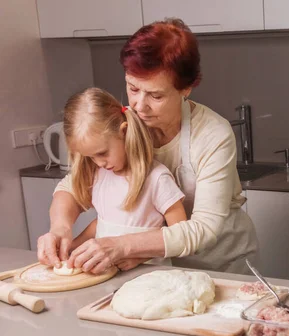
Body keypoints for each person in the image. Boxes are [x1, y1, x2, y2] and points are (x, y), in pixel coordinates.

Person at [37, 19, 258, 274]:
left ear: (186, 89)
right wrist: (60, 229)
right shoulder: (122, 125)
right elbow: (73, 186)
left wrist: (123, 246)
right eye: (133, 88)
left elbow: (204, 229)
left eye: (156, 95)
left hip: (218, 265)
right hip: (152, 268)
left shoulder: (212, 134)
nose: (139, 106)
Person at [62, 87, 186, 272]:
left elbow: (180, 234)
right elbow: (102, 224)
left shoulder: (157, 178)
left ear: (124, 131)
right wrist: (72, 248)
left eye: (102, 153)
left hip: (150, 276)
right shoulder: (100, 175)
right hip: (108, 277)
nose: (99, 163)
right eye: (91, 157)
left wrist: (140, 256)